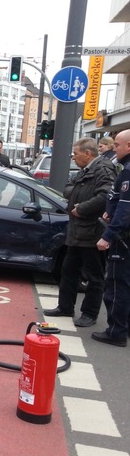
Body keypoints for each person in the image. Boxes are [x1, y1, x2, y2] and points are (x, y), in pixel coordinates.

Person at [42, 138, 116, 327]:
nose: (73, 157)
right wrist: (77, 194)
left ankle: (89, 313)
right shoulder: (85, 170)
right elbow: (67, 189)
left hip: (92, 231)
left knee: (94, 276)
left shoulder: (103, 169)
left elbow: (104, 196)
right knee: (68, 271)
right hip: (76, 231)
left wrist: (82, 208)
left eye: (75, 154)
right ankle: (65, 307)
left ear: (87, 154)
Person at [93, 129, 130, 347]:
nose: (113, 148)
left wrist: (107, 236)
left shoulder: (127, 171)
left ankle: (116, 331)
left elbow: (126, 209)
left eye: (117, 144)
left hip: (123, 240)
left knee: (117, 286)